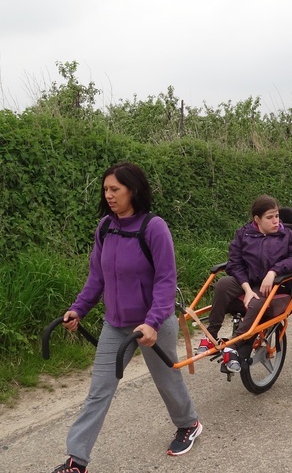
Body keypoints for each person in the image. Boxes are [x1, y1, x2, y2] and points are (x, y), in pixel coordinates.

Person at [52, 163, 202, 473]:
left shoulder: (154, 227)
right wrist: (78, 308)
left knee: (166, 380)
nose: (108, 195)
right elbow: (97, 277)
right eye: (105, 189)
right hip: (115, 325)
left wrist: (153, 321)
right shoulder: (105, 227)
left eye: (114, 189)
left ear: (132, 190)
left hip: (152, 324)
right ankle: (76, 460)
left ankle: (189, 424)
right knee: (99, 391)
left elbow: (165, 280)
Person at [195, 195, 292, 370]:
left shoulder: (287, 236)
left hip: (274, 285)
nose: (275, 221)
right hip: (248, 281)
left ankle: (233, 345)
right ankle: (211, 335)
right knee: (223, 283)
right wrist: (246, 289)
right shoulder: (244, 234)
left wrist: (273, 271)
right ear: (257, 219)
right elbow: (234, 263)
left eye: (277, 216)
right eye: (270, 217)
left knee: (256, 302)